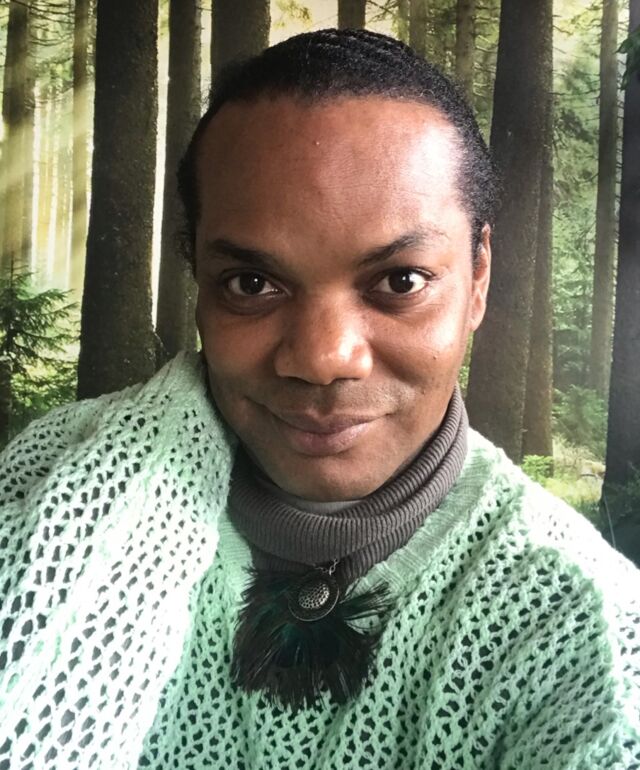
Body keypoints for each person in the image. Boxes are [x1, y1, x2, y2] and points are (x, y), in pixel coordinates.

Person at [0, 28, 639, 770]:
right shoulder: (40, 494)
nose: (322, 359)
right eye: (252, 284)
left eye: (399, 281)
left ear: (478, 278)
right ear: (197, 276)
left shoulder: (585, 629)